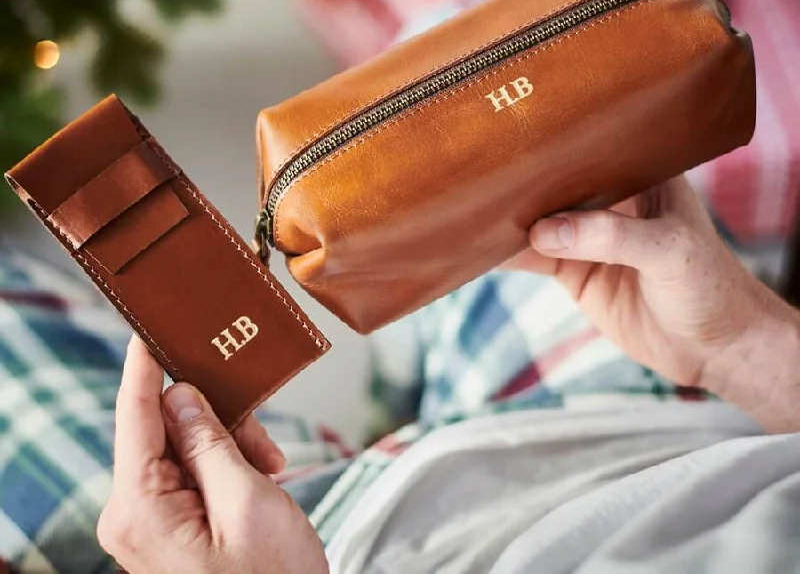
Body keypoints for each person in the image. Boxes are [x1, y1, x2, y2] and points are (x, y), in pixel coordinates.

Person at [94, 176, 800, 573]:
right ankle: (396, 416)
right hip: (682, 419)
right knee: (417, 117)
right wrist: (744, 343)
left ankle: (394, 421)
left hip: (339, 543)